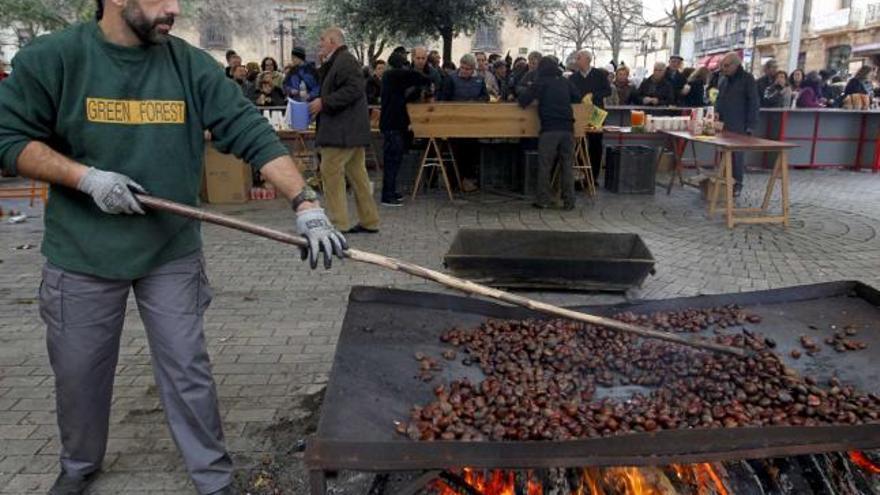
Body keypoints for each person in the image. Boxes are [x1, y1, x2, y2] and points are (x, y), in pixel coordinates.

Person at [0, 1, 347, 494]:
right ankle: (78, 465)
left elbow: (249, 131)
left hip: (169, 251)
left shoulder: (188, 65)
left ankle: (213, 477)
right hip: (82, 254)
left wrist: (304, 201)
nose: (175, 8)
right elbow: (10, 139)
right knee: (78, 374)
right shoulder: (53, 58)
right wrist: (87, 178)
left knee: (187, 368)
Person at [310, 27, 380, 234]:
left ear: (333, 41)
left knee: (330, 173)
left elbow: (354, 89)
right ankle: (370, 220)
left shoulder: (346, 61)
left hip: (341, 132)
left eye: (322, 39)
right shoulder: (340, 60)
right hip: (350, 131)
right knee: (358, 176)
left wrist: (324, 102)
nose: (320, 43)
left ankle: (337, 223)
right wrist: (322, 64)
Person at [518, 56, 582, 210]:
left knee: (545, 165)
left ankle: (543, 200)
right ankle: (569, 201)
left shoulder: (541, 82)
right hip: (568, 128)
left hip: (550, 129)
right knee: (567, 166)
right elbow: (577, 97)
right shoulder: (565, 81)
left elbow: (523, 101)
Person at [379, 53, 430, 206]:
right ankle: (387, 196)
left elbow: (404, 96)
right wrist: (428, 79)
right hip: (393, 125)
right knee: (392, 161)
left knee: (394, 160)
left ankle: (391, 191)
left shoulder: (392, 80)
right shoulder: (391, 75)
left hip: (393, 125)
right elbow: (416, 77)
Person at [715, 52, 759, 197]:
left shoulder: (747, 79)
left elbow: (754, 102)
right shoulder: (723, 79)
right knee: (724, 154)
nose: (724, 69)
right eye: (722, 66)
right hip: (723, 123)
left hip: (739, 124)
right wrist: (716, 114)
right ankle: (724, 182)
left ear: (736, 65)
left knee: (737, 156)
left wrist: (750, 125)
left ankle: (737, 183)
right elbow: (719, 99)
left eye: (726, 66)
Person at [568, 50, 610, 182]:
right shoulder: (573, 78)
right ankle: (580, 175)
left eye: (578, 58)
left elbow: (607, 90)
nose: (576, 61)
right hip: (579, 113)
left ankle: (593, 177)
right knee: (579, 143)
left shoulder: (599, 75)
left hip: (597, 112)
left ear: (587, 59)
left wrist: (593, 95)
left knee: (595, 143)